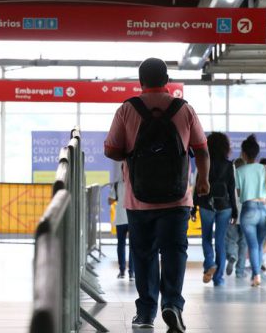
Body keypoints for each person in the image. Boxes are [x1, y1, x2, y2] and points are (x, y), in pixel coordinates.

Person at [104, 58, 209, 331]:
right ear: (166, 80)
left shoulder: (128, 109)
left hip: (139, 200)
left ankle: (146, 312)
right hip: (177, 199)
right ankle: (172, 304)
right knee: (174, 251)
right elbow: (202, 150)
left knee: (144, 253)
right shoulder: (184, 109)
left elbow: (110, 149)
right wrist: (204, 181)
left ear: (140, 81)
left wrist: (130, 151)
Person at [193, 132, 238, 287]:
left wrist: (193, 207)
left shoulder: (204, 163)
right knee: (220, 241)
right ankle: (219, 279)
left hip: (206, 204)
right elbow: (232, 189)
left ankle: (210, 264)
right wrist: (235, 211)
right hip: (225, 206)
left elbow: (198, 184)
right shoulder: (228, 165)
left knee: (206, 238)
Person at [235, 135, 266, 288]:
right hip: (263, 209)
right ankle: (256, 273)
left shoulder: (240, 170)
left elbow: (238, 193)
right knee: (259, 243)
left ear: (243, 154)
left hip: (248, 209)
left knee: (252, 245)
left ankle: (256, 275)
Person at [108, 171, 133, 280]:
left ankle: (122, 271)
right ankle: (132, 272)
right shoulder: (134, 183)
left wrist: (118, 197)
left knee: (121, 245)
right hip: (132, 218)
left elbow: (110, 201)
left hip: (120, 218)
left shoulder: (117, 184)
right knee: (134, 246)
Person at [225, 157, 248, 278]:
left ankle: (232, 255)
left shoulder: (231, 178)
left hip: (232, 213)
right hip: (245, 214)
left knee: (231, 239)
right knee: (244, 243)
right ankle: (240, 271)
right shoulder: (247, 178)